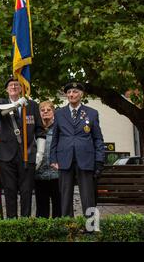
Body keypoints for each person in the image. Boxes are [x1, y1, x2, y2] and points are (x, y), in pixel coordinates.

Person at [50, 82, 105, 217]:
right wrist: (53, 159)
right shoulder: (59, 113)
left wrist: (99, 161)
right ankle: (68, 228)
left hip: (86, 160)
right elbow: (55, 138)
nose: (71, 95)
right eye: (69, 92)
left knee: (88, 197)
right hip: (64, 159)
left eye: (74, 92)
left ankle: (91, 228)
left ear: (81, 94)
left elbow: (98, 139)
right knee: (65, 197)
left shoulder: (92, 113)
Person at [0, 75, 46, 218]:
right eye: (11, 85)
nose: (14, 87)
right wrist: (18, 104)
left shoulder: (32, 106)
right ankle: (12, 224)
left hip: (27, 154)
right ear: (6, 89)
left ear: (22, 88)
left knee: (26, 193)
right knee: (9, 192)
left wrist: (40, 154)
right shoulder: (1, 103)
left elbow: (40, 130)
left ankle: (25, 224)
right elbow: (1, 111)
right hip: (6, 156)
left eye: (17, 85)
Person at [34, 101, 61, 218]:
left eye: (48, 110)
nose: (45, 112)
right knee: (41, 209)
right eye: (42, 110)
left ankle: (58, 232)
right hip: (39, 174)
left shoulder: (59, 128)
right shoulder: (34, 129)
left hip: (57, 174)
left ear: (53, 112)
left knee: (58, 206)